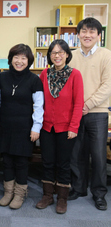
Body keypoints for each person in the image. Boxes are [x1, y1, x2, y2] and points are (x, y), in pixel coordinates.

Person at [36, 39, 84, 214]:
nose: (57, 55)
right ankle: (48, 195)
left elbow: (78, 103)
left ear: (67, 55)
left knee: (64, 164)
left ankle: (62, 199)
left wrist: (74, 127)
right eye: (54, 52)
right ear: (49, 55)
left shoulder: (75, 74)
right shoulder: (44, 74)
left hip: (66, 128)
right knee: (47, 162)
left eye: (61, 52)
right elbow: (38, 101)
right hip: (47, 127)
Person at [68, 17, 111, 211]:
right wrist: (78, 107)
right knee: (76, 153)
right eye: (84, 31)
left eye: (92, 32)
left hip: (98, 113)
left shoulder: (106, 55)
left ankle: (99, 194)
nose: (87, 35)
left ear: (99, 36)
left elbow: (108, 85)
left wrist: (87, 104)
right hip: (75, 113)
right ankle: (78, 188)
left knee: (99, 155)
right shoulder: (70, 56)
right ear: (78, 35)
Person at [0, 44, 44, 210]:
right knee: (7, 161)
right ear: (11, 59)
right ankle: (8, 192)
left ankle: (20, 193)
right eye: (16, 57)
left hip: (25, 127)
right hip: (6, 125)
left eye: (23, 58)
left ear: (29, 60)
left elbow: (39, 106)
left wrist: (36, 128)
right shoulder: (2, 77)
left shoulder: (34, 80)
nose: (19, 61)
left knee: (21, 162)